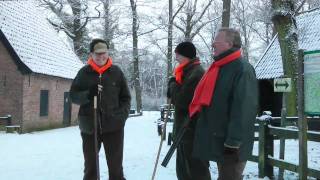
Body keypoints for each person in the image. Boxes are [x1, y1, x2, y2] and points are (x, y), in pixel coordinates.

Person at [189, 28, 258, 180]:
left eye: (216, 41)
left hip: (233, 145)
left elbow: (244, 110)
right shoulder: (219, 68)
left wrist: (233, 143)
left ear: (229, 43)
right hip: (221, 139)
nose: (212, 44)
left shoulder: (242, 69)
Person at [70, 38, 131, 180]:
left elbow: (126, 98)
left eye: (104, 53)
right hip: (90, 128)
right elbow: (73, 96)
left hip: (114, 127)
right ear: (91, 54)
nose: (101, 56)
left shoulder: (116, 72)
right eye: (97, 53)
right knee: (91, 167)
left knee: (116, 167)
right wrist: (88, 94)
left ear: (108, 53)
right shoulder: (84, 73)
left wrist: (120, 117)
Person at [167, 41, 211, 180]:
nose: (176, 59)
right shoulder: (186, 72)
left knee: (196, 171)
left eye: (178, 55)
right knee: (184, 171)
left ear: (185, 56)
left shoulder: (196, 74)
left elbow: (181, 101)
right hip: (184, 131)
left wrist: (172, 84)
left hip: (192, 132)